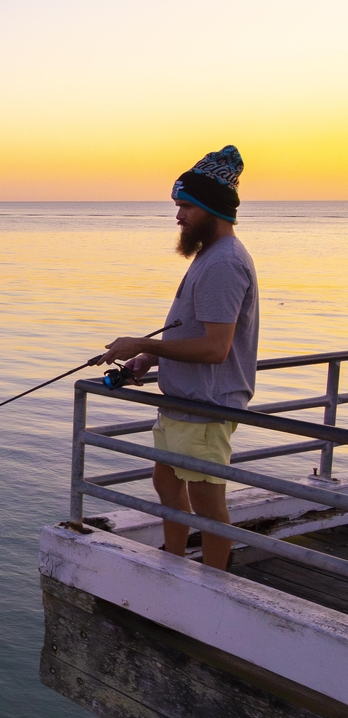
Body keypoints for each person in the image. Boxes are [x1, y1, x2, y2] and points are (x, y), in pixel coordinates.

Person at [99, 145, 259, 570]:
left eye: (186, 206)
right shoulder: (208, 255)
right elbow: (189, 330)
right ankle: (173, 559)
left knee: (209, 503)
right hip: (180, 403)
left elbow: (215, 348)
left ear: (211, 207)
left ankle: (213, 582)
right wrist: (150, 361)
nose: (178, 215)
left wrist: (144, 345)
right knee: (166, 484)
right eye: (177, 205)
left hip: (206, 408)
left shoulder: (225, 262)